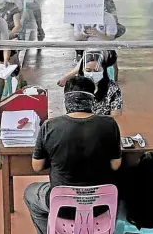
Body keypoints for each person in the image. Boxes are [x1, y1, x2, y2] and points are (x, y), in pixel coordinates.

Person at [24, 76, 122, 234]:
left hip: (64, 207)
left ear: (66, 99)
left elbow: (37, 166)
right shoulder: (109, 124)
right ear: (92, 99)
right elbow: (115, 165)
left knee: (30, 193)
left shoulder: (50, 127)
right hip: (100, 206)